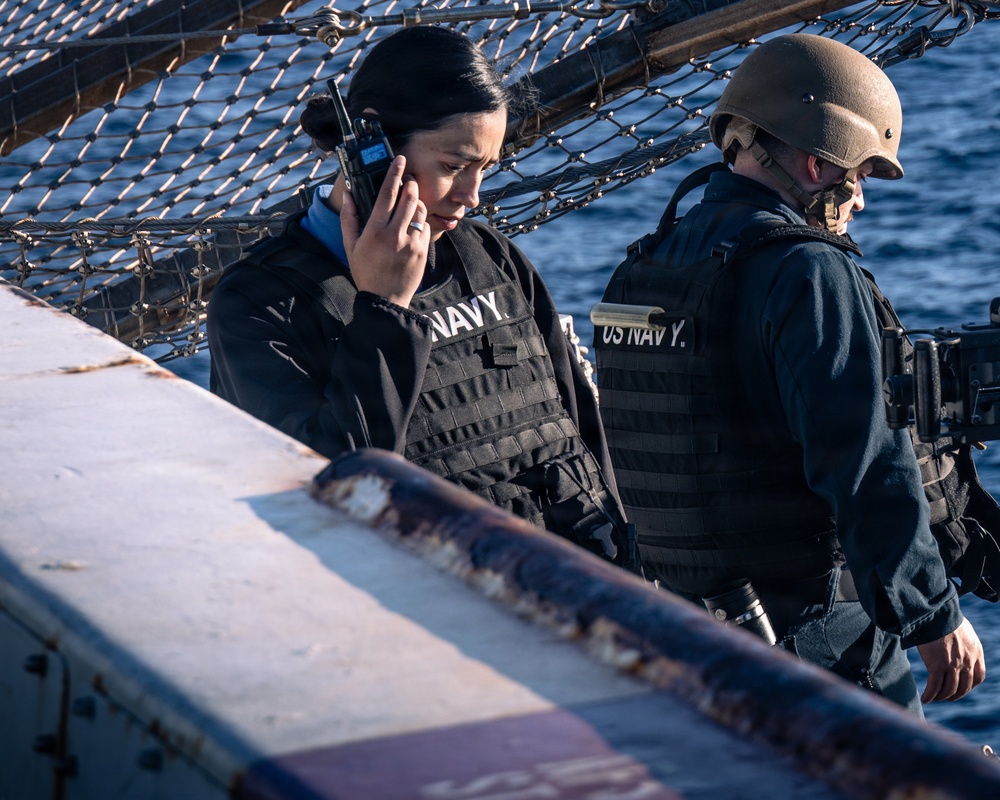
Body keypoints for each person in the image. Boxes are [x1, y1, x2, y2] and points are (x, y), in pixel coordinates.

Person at [593, 34, 992, 713]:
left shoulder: (645, 267)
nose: (859, 200)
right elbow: (864, 461)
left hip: (685, 643)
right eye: (858, 175)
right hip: (816, 643)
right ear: (817, 161)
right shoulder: (808, 270)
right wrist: (930, 615)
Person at [208, 26, 639, 573]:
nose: (472, 196)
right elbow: (329, 494)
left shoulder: (490, 257)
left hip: (584, 598)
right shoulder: (258, 303)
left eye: (484, 168)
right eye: (455, 166)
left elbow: (582, 433)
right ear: (373, 148)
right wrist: (384, 306)